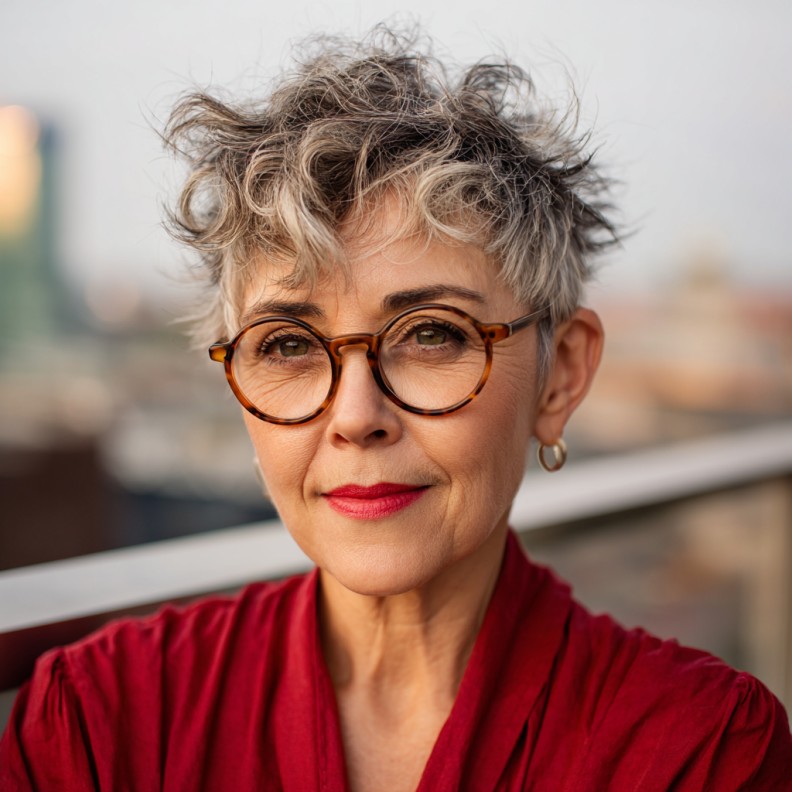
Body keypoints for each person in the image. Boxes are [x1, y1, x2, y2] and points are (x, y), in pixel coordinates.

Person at [2, 27, 791, 791]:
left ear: (561, 378)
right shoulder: (98, 719)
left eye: (430, 334)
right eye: (286, 345)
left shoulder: (701, 751)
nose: (354, 415)